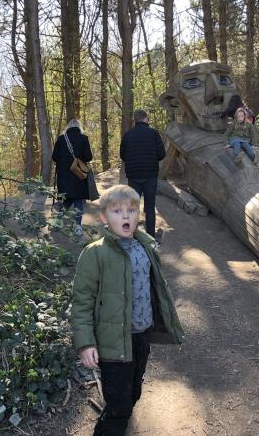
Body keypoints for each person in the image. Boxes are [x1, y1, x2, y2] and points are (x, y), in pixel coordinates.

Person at [71, 184, 185, 436]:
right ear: (104, 218)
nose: (125, 216)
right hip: (111, 342)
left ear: (138, 215)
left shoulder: (146, 247)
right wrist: (85, 343)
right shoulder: (95, 254)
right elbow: (82, 302)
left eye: (131, 210)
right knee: (119, 404)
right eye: (117, 211)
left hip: (141, 336)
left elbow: (156, 289)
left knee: (133, 393)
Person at [120, 110, 166, 239]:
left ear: (135, 120)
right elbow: (162, 154)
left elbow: (122, 155)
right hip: (150, 174)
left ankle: (132, 235)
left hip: (133, 175)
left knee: (133, 207)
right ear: (146, 119)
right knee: (150, 206)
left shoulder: (128, 135)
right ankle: (150, 237)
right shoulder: (154, 134)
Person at [52, 118, 93, 236]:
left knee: (67, 199)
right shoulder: (84, 138)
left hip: (64, 176)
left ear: (68, 127)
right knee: (78, 199)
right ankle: (78, 227)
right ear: (79, 127)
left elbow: (54, 157)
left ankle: (57, 222)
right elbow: (88, 157)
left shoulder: (61, 139)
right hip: (78, 174)